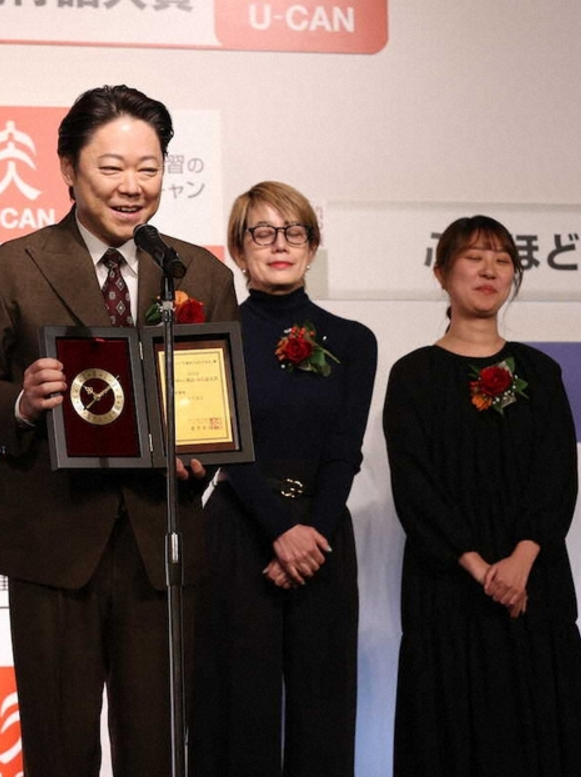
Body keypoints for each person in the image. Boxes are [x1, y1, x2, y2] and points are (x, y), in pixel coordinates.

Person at [0, 84, 238, 776]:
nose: (132, 186)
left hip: (160, 542)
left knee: (158, 747)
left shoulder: (197, 273)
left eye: (149, 168)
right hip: (52, 541)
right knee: (59, 746)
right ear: (69, 169)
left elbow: (220, 396)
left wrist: (205, 453)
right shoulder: (9, 269)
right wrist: (21, 402)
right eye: (112, 167)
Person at [382, 215, 581, 777]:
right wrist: (480, 569)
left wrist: (522, 559)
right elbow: (416, 488)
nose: (489, 271)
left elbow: (556, 477)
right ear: (441, 273)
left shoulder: (540, 371)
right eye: (474, 258)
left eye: (502, 260)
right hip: (448, 589)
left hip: (534, 586)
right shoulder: (413, 375)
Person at [190, 181, 377, 777]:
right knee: (235, 704)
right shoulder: (211, 336)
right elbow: (223, 443)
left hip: (322, 534)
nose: (279, 244)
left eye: (294, 232)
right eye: (262, 233)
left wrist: (309, 534)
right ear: (238, 251)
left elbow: (344, 451)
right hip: (238, 527)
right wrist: (279, 530)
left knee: (324, 706)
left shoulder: (353, 340)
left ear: (312, 247)